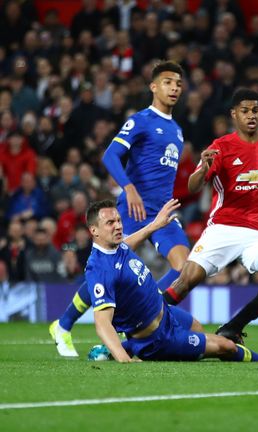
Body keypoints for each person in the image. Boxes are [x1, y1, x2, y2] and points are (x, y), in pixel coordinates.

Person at [49, 61, 192, 357]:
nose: (174, 88)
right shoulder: (140, 120)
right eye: (167, 82)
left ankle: (154, 308)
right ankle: (63, 326)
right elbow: (110, 155)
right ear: (153, 87)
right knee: (106, 269)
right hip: (133, 208)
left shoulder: (177, 131)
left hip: (162, 213)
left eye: (178, 83)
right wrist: (128, 187)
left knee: (186, 268)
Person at [161, 88, 258, 345]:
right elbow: (193, 186)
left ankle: (232, 328)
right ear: (234, 115)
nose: (251, 115)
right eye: (245, 111)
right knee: (187, 280)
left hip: (257, 234)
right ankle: (141, 323)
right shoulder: (220, 147)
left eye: (255, 110)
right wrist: (204, 168)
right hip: (222, 227)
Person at [85, 198, 258, 363]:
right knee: (227, 346)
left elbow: (128, 243)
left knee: (197, 328)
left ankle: (123, 347)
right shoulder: (100, 270)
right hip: (157, 338)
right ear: (94, 230)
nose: (118, 226)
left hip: (167, 314)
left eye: (118, 220)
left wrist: (156, 224)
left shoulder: (116, 247)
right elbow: (102, 322)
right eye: (110, 223)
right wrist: (125, 360)